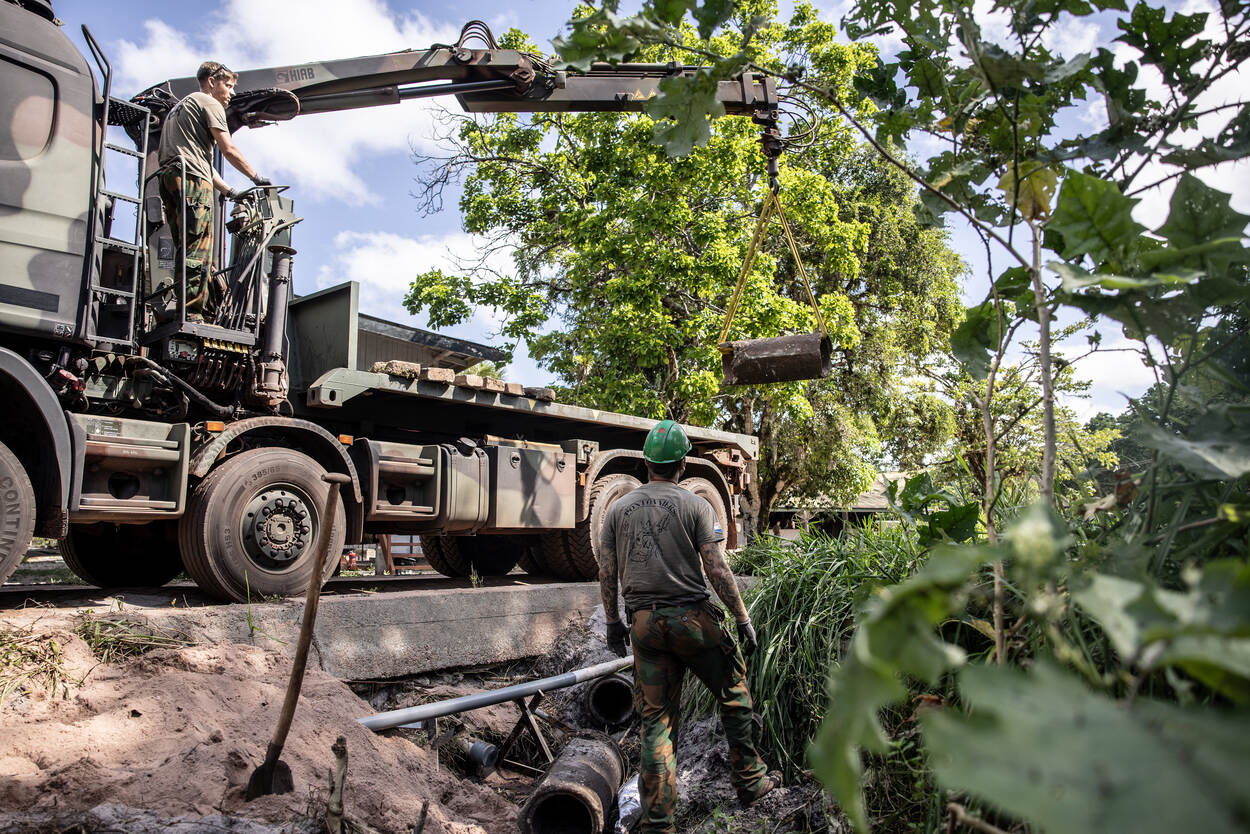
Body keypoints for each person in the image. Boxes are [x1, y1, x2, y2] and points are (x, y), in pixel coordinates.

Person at [598, 419, 781, 834]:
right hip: (692, 621)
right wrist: (742, 617)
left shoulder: (617, 509)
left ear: (646, 463)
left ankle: (659, 822)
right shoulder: (696, 506)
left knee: (656, 720)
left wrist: (612, 621)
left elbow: (606, 574)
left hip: (644, 625)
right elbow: (717, 570)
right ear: (682, 465)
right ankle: (751, 781)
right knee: (733, 690)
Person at [157, 61, 270, 322]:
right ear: (211, 81)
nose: (231, 93)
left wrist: (231, 191)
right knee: (199, 249)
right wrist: (255, 176)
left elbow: (203, 163)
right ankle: (192, 313)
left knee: (185, 247)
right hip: (192, 183)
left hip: (171, 178)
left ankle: (184, 306)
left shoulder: (180, 108)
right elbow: (228, 149)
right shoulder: (209, 104)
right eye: (227, 86)